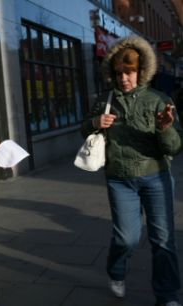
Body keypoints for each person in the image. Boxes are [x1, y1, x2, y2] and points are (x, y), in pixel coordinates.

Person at [81, 36, 183, 306]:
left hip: (156, 177)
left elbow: (174, 147)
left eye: (129, 72)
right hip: (120, 179)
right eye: (119, 73)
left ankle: (168, 295)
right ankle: (116, 270)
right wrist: (95, 121)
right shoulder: (106, 100)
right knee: (127, 238)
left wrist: (165, 128)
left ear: (141, 71)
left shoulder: (159, 100)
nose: (124, 78)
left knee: (163, 240)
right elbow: (84, 129)